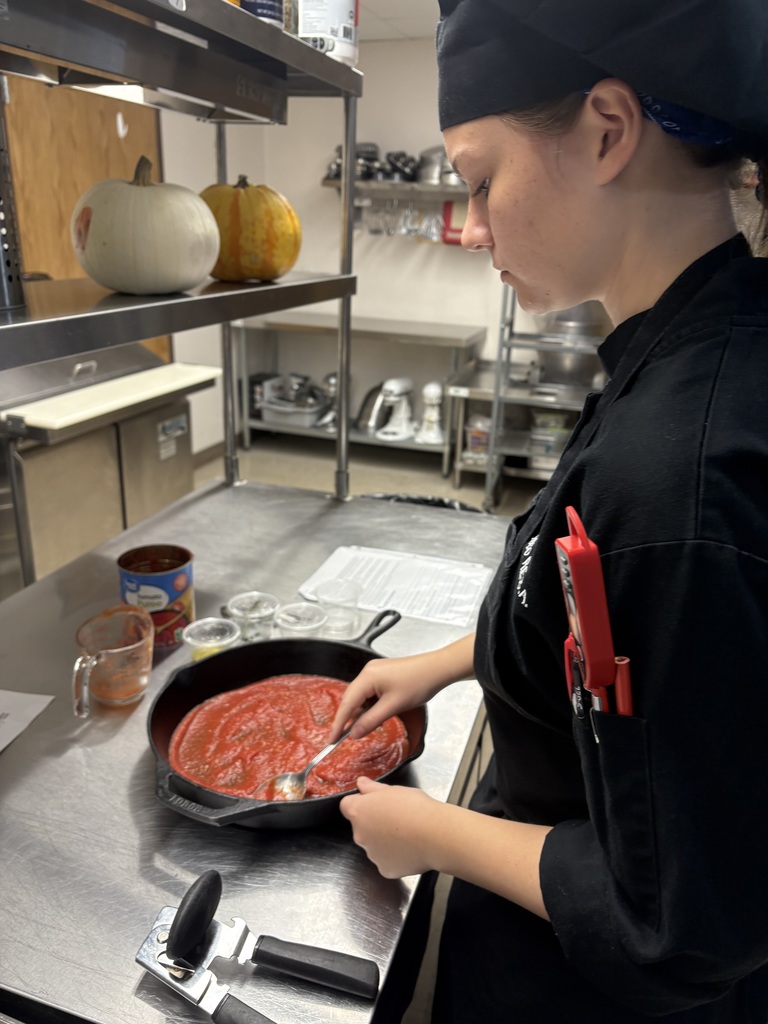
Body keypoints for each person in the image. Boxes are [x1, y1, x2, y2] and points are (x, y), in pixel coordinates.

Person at [329, 1, 768, 1020]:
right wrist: (446, 660)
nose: (472, 225)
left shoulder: (684, 476)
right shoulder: (682, 345)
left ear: (609, 130)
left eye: (482, 181)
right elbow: (606, 620)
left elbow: (683, 925)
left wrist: (427, 832)